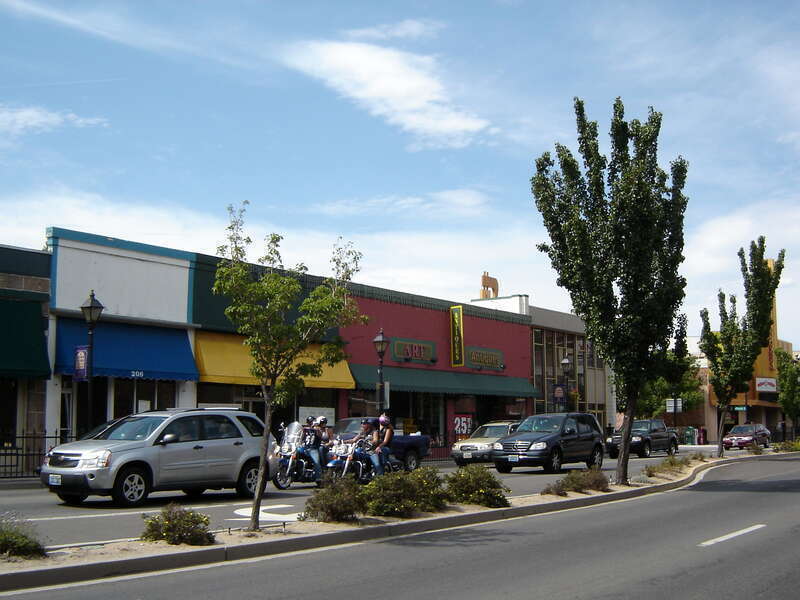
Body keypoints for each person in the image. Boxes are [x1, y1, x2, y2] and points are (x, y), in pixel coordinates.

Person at [301, 416, 323, 481]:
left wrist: (316, 429)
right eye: (308, 422)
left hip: (313, 448)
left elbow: (320, 435)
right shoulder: (306, 429)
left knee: (316, 462)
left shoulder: (317, 429)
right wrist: (303, 431)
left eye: (310, 422)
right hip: (305, 447)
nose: (309, 423)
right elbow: (302, 438)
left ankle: (319, 478)